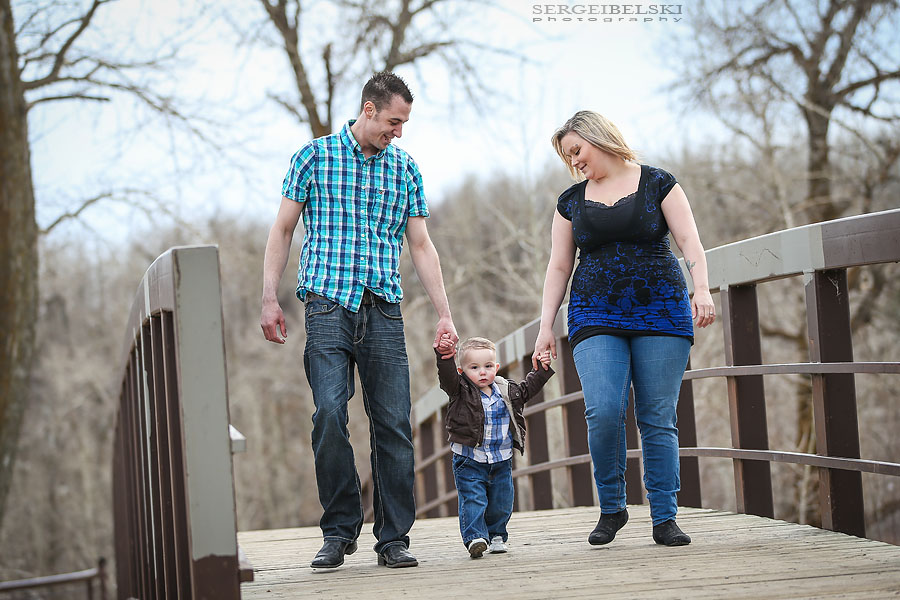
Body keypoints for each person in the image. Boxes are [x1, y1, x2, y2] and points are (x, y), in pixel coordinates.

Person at [260, 72, 458, 570]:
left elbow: (420, 245)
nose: (399, 132)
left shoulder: (405, 169)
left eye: (405, 123)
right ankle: (339, 529)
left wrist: (445, 313)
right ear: (368, 110)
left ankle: (393, 539)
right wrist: (269, 298)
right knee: (329, 414)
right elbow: (283, 229)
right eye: (394, 121)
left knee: (393, 422)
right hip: (327, 306)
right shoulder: (314, 157)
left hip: (384, 309)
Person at [532, 111, 716, 547]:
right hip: (594, 313)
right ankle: (612, 507)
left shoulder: (658, 182)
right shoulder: (570, 201)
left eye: (577, 151)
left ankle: (665, 517)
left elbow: (689, 240)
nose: (574, 162)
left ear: (599, 138)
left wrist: (702, 289)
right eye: (567, 157)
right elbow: (559, 265)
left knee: (657, 415)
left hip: (661, 311)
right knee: (603, 410)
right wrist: (545, 327)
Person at [435, 335, 554, 558]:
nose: (482, 372)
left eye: (488, 366)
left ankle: (497, 535)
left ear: (496, 367)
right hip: (469, 459)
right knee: (474, 499)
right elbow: (446, 375)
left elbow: (527, 390)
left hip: (501, 458)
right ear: (462, 371)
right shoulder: (459, 390)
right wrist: (445, 356)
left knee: (502, 500)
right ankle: (475, 538)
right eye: (474, 367)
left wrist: (542, 370)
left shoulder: (505, 389)